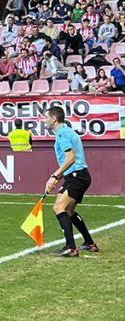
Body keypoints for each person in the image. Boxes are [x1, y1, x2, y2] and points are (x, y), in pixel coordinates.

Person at [43, 107, 98, 257]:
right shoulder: (65, 132)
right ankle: (90, 243)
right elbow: (70, 161)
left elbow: (71, 158)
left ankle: (71, 248)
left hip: (77, 176)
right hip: (77, 175)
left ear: (54, 118)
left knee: (58, 207)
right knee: (68, 211)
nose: (44, 120)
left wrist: (54, 176)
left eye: (46, 117)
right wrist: (59, 177)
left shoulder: (63, 134)